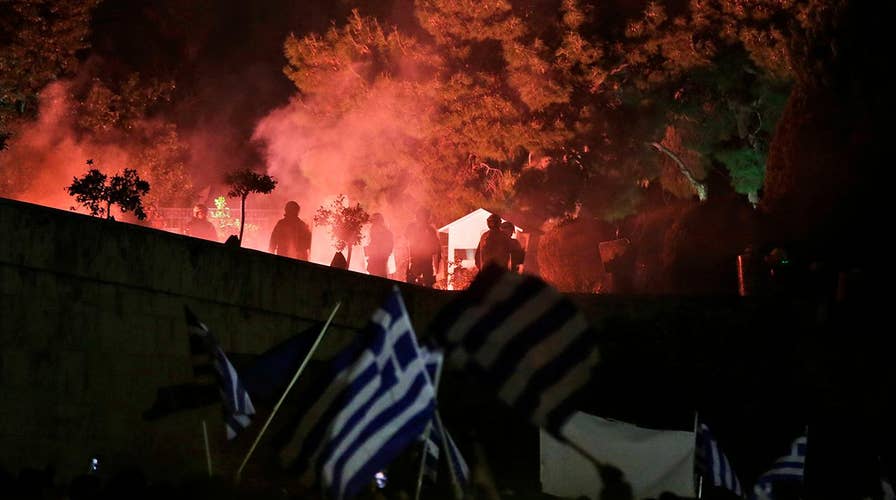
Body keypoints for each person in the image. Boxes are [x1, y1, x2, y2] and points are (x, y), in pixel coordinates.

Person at [405, 208, 441, 287]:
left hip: (425, 262)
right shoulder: (412, 227)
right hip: (415, 261)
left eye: (424, 217)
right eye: (420, 217)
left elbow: (435, 249)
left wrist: (436, 268)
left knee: (427, 282)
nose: (421, 219)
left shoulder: (431, 230)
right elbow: (406, 240)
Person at [364, 213, 394, 278]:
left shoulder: (387, 234)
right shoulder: (374, 232)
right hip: (374, 265)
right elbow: (372, 246)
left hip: (380, 266)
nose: (372, 225)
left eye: (374, 222)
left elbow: (388, 249)